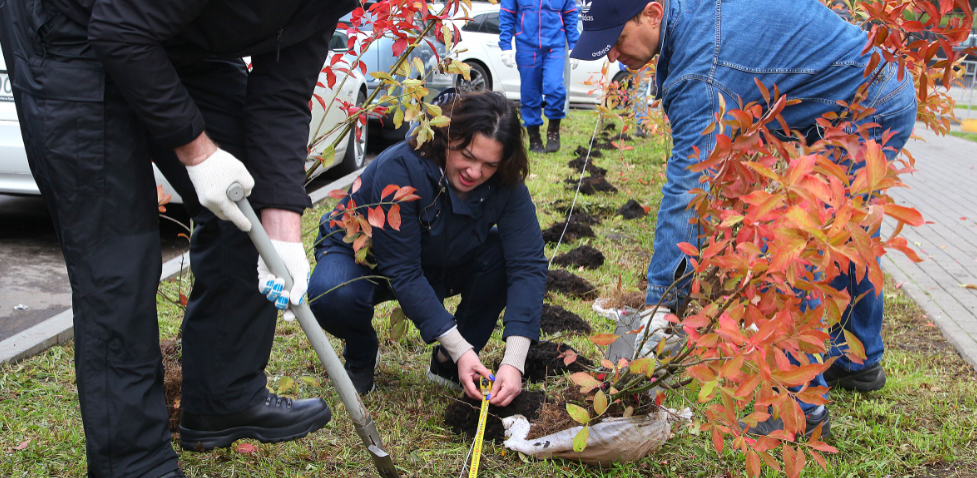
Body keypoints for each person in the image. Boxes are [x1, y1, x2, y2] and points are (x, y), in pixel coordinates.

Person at [0, 0, 357, 475]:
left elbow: (282, 93)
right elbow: (118, 29)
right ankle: (133, 461)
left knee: (245, 201)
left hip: (169, 35)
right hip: (70, 31)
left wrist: (283, 230)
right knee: (118, 258)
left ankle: (223, 396)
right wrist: (199, 153)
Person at [571, 0, 917, 438]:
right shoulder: (692, 18)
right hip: (856, 89)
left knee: (798, 242)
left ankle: (801, 410)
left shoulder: (702, 68)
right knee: (847, 234)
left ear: (653, 14)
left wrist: (660, 306)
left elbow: (686, 191)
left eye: (617, 40)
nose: (614, 56)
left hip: (866, 108)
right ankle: (860, 361)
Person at [308, 90, 547, 407]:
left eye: (489, 164)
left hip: (439, 260)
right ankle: (361, 350)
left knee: (501, 256)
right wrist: (462, 348)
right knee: (332, 293)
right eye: (467, 155)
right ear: (447, 135)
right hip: (365, 256)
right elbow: (403, 270)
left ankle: (448, 362)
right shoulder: (403, 166)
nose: (474, 172)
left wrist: (514, 360)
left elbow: (527, 265)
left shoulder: (506, 184)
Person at [498, 0, 580, 153]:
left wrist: (574, 44)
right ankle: (534, 137)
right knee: (530, 93)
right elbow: (507, 14)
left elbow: (570, 14)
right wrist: (506, 45)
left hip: (554, 46)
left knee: (554, 87)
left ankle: (553, 131)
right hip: (526, 46)